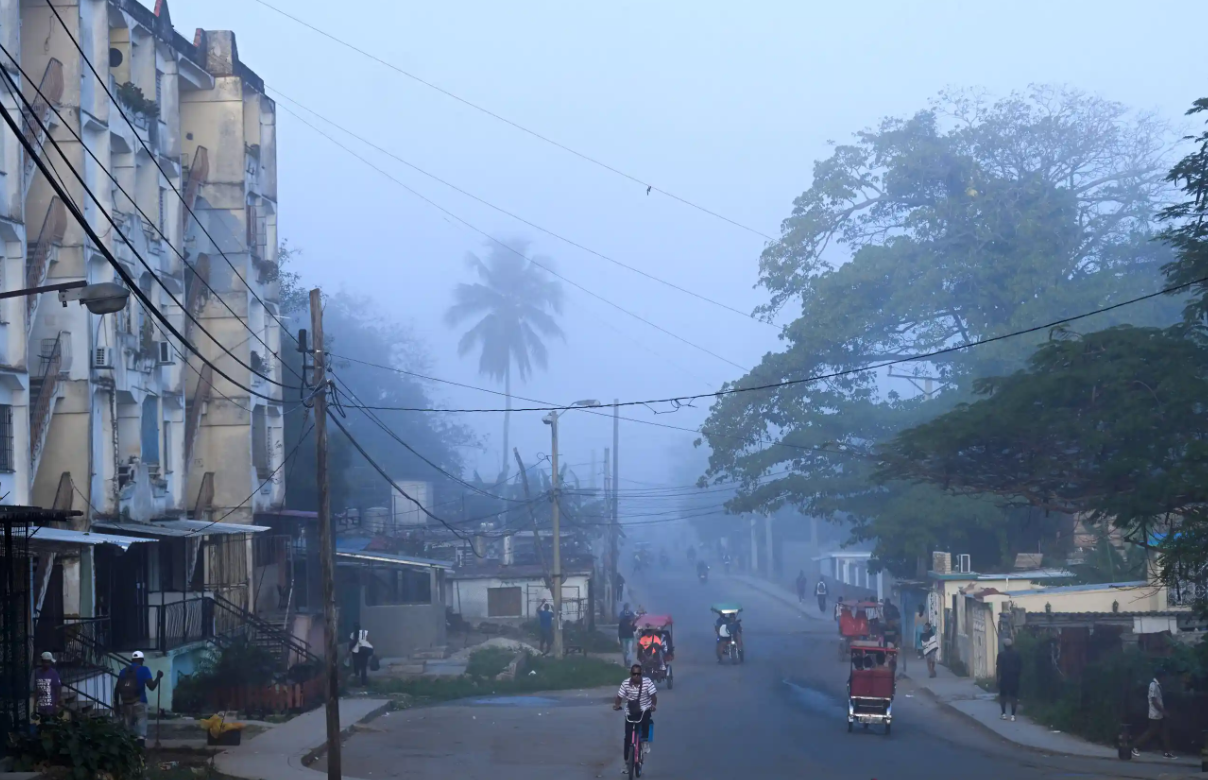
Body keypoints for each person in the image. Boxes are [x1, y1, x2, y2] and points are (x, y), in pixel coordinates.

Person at [613, 664, 657, 770]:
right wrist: (617, 705)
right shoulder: (625, 684)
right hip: (630, 712)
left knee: (646, 720)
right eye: (634, 674)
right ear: (631, 674)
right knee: (627, 738)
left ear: (641, 674)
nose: (636, 676)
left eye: (638, 674)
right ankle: (627, 762)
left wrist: (653, 705)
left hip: (644, 709)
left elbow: (653, 696)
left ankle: (645, 741)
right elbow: (619, 697)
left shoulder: (647, 682)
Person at [115, 651, 162, 746]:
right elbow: (151, 686)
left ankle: (128, 752)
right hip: (140, 702)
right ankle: (140, 751)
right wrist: (158, 677)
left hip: (126, 703)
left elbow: (117, 689)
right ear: (141, 660)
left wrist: (116, 704)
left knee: (128, 727)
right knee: (141, 728)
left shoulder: (123, 671)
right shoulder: (144, 670)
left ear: (132, 660)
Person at [1132, 672, 1175, 759]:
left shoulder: (1157, 685)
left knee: (1163, 732)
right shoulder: (1153, 685)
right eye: (1164, 677)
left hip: (1158, 713)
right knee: (1152, 731)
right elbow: (1154, 700)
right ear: (1160, 676)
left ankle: (1167, 751)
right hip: (1155, 713)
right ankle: (1135, 746)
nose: (1165, 679)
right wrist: (1163, 711)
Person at [996, 637, 1022, 721]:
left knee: (1003, 696)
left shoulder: (1001, 655)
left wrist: (998, 678)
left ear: (1004, 646)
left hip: (1004, 678)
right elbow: (1020, 666)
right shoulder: (1017, 654)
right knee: (1014, 697)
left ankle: (1003, 714)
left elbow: (998, 668)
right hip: (1014, 678)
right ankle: (1013, 715)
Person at [34, 652, 61, 718]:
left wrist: (57, 705)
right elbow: (36, 689)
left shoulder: (54, 673)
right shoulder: (37, 672)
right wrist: (35, 705)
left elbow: (58, 689)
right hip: (41, 706)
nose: (48, 664)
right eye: (46, 662)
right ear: (42, 662)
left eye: (49, 662)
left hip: (51, 706)